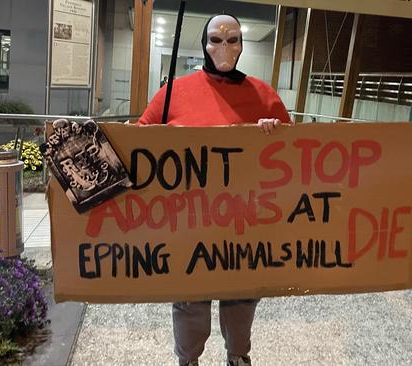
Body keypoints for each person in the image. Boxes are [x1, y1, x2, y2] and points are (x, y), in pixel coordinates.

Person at [138, 14, 291, 366]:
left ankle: (238, 357)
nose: (225, 47)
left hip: (245, 223)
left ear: (242, 44)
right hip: (189, 224)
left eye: (233, 39)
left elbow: (292, 154)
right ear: (204, 44)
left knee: (241, 298)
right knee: (190, 298)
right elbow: (139, 141)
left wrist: (275, 131)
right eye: (216, 39)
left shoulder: (263, 94)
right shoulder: (174, 92)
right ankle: (187, 360)